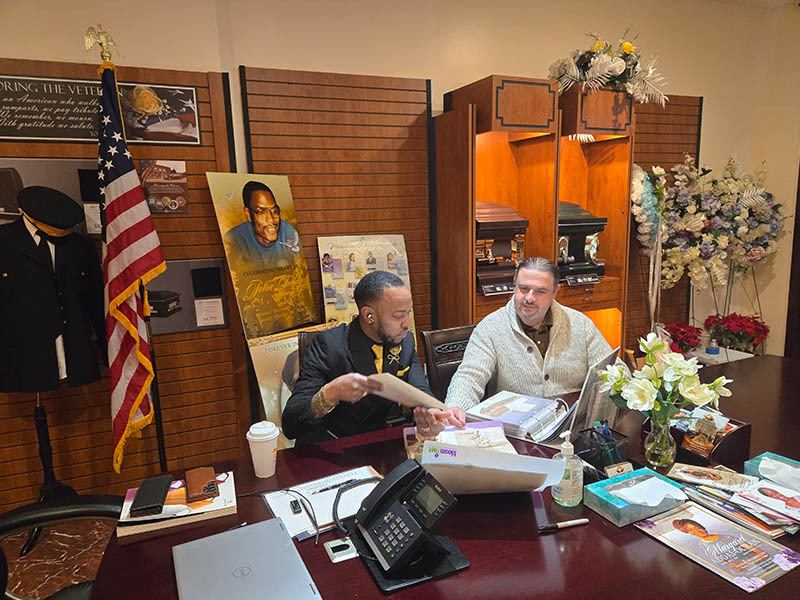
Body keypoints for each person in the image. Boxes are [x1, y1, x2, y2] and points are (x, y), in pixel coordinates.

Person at [415, 256, 611, 435]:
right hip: (517, 437)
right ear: (514, 285)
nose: (529, 298)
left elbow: (614, 372)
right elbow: (469, 376)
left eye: (540, 291)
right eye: (523, 289)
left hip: (575, 431)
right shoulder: (491, 327)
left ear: (555, 292)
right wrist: (455, 407)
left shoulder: (580, 324)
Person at [283, 271, 447, 445]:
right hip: (329, 447)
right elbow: (290, 425)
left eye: (408, 312)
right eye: (398, 316)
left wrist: (433, 413)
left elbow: (421, 392)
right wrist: (331, 393)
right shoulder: (329, 345)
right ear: (369, 315)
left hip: (376, 445)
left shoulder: (404, 341)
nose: (406, 323)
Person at [223, 181, 301, 271]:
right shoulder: (234, 240)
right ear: (248, 214)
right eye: (261, 212)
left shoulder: (289, 233)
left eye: (274, 211)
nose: (271, 220)